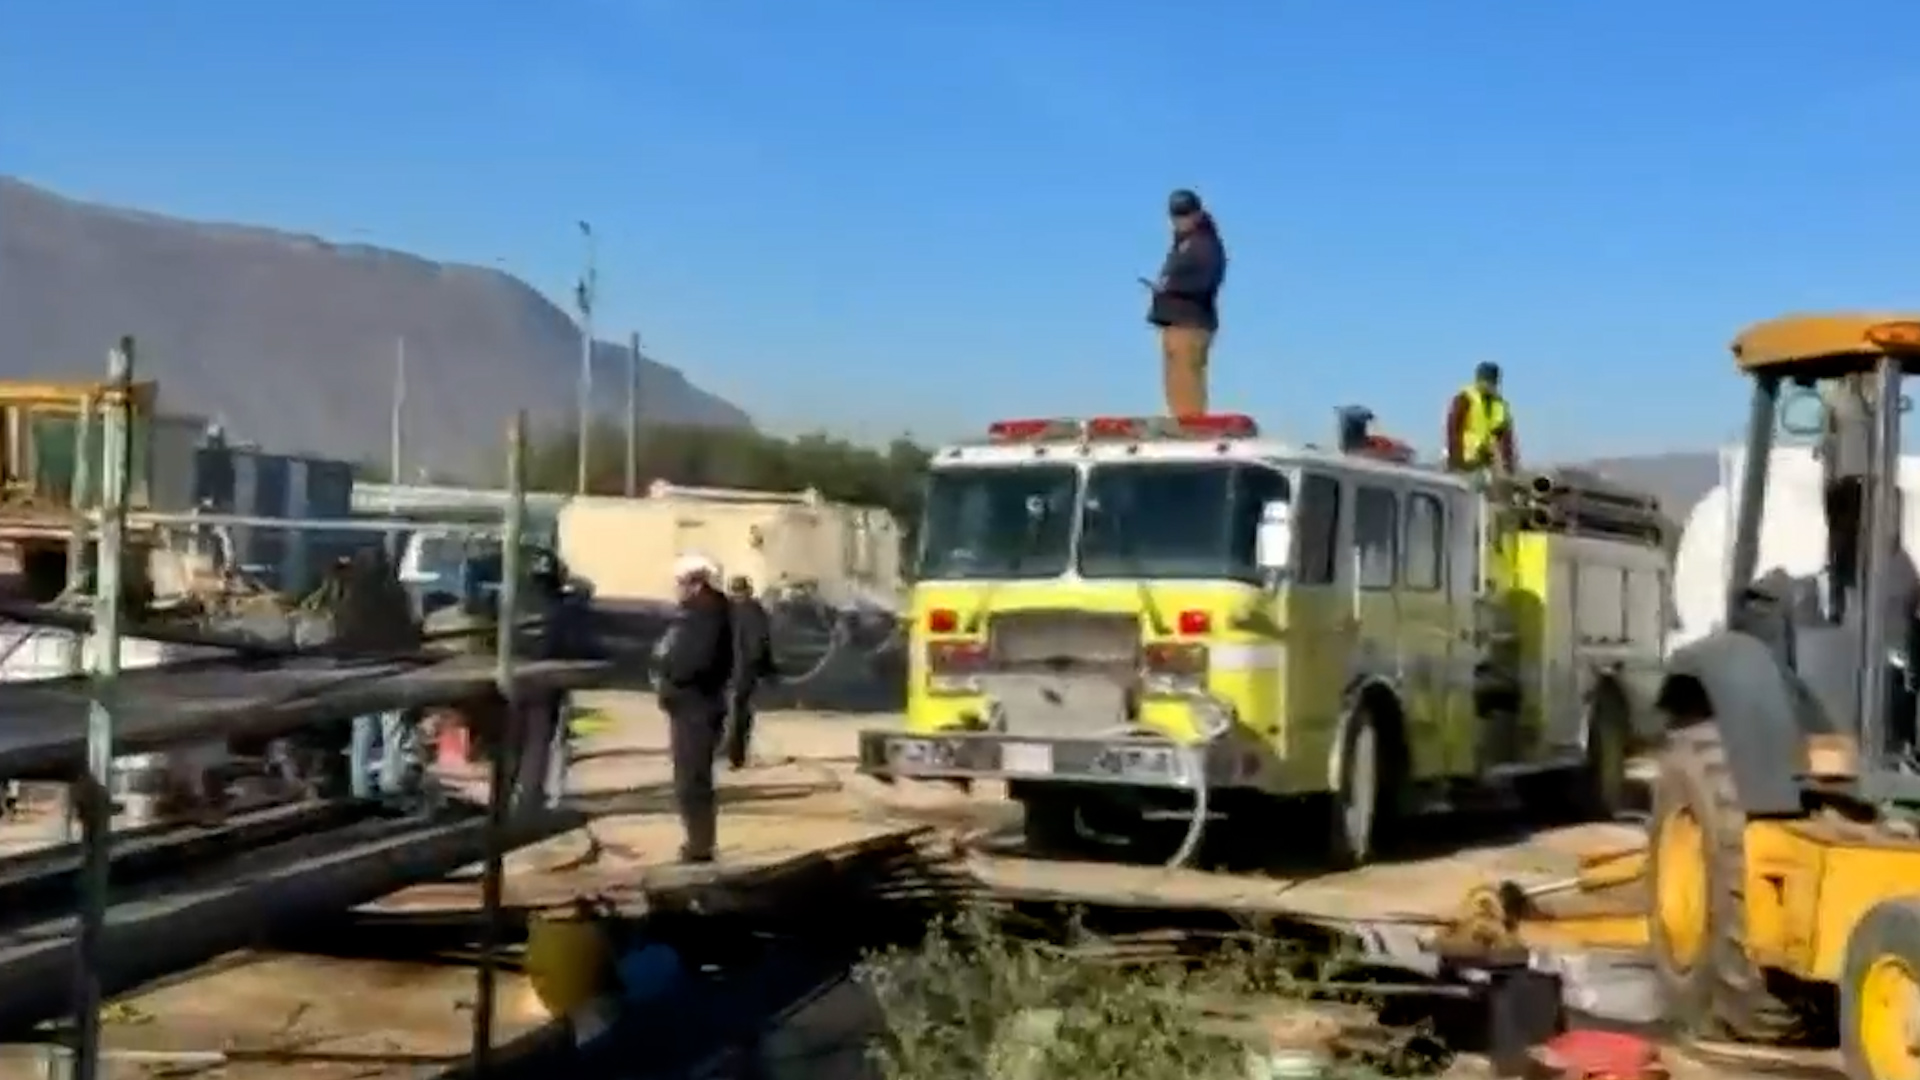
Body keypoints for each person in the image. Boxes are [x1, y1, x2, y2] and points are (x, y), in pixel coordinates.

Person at [657, 554, 734, 863]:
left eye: (681, 582)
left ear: (696, 584)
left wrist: (671, 672)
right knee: (689, 777)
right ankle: (697, 840)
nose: (676, 588)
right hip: (689, 704)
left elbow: (695, 661)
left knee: (693, 779)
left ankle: (700, 844)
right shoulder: (695, 614)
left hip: (696, 705)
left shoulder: (706, 616)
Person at [1146, 189, 1228, 417]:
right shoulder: (1184, 243)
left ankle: (1192, 424)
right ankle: (1182, 421)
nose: (1181, 220)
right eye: (1176, 215)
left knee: (1186, 381)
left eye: (1186, 214)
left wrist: (1170, 287)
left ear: (1197, 213)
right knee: (1174, 381)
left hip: (1191, 322)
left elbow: (1207, 281)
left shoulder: (1204, 243)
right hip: (1175, 321)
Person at [1820, 373, 1874, 620]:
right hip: (1850, 484)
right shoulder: (1849, 402)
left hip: (1851, 484)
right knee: (1845, 545)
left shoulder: (1845, 402)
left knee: (1845, 544)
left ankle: (1843, 602)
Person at [724, 576, 776, 770]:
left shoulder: (725, 611)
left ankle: (730, 753)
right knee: (740, 714)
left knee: (731, 713)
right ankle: (736, 755)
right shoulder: (755, 611)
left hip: (728, 670)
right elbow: (761, 644)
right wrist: (766, 669)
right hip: (744, 671)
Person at [1446, 362, 1518, 475]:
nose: (1486, 384)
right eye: (1483, 380)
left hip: (1486, 462)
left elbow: (1505, 439)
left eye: (1490, 381)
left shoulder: (1500, 405)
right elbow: (1453, 429)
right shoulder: (1465, 398)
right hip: (1464, 460)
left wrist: (1508, 466)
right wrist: (1456, 459)